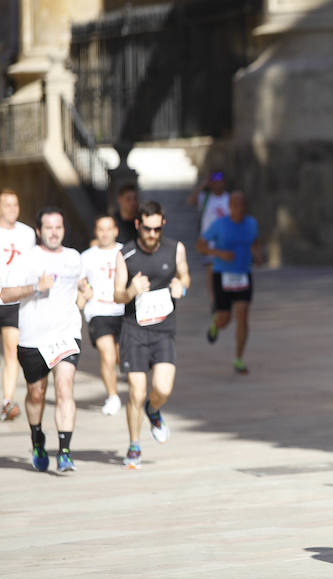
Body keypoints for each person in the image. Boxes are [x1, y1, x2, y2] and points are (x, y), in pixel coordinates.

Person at [0, 207, 90, 472]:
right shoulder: (27, 260)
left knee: (64, 386)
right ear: (39, 231)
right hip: (33, 338)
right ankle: (37, 438)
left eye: (58, 227)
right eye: (49, 228)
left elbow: (83, 284)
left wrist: (84, 297)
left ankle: (64, 452)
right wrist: (35, 288)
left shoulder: (74, 257)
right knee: (36, 394)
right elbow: (5, 294)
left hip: (66, 335)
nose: (54, 233)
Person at [113, 201, 190, 469]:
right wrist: (131, 291)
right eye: (147, 228)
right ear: (138, 225)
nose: (152, 234)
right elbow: (117, 295)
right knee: (136, 390)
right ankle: (134, 446)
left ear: (163, 225)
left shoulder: (175, 249)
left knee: (163, 389)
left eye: (157, 229)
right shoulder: (125, 254)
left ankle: (154, 409)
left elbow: (185, 276)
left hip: (163, 330)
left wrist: (182, 286)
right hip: (134, 330)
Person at [196, 191, 261, 374]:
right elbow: (200, 245)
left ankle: (239, 359)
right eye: (236, 205)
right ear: (230, 207)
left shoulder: (251, 223)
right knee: (225, 319)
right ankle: (215, 324)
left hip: (243, 274)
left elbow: (255, 242)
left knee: (243, 314)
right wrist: (219, 254)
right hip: (222, 274)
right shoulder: (219, 225)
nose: (240, 209)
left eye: (243, 205)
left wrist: (257, 255)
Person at [81, 215, 125, 415]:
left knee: (119, 357)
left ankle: (125, 389)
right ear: (95, 232)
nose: (105, 233)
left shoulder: (126, 251)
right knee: (107, 355)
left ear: (115, 230)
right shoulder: (87, 256)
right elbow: (79, 280)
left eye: (109, 229)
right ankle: (113, 396)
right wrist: (83, 288)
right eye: (101, 229)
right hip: (98, 311)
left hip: (123, 311)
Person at [0, 189, 36, 421]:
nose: (12, 208)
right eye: (7, 204)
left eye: (15, 204)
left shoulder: (28, 234)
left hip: (14, 300)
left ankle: (7, 401)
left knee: (11, 351)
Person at [187, 170, 230, 308]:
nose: (217, 184)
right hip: (209, 243)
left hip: (226, 242)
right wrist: (203, 185)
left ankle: (225, 297)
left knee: (225, 271)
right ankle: (214, 300)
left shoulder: (229, 198)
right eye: (214, 181)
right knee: (211, 271)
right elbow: (191, 201)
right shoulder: (205, 198)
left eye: (220, 180)